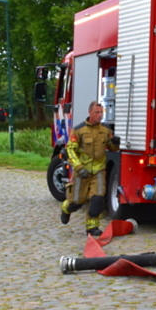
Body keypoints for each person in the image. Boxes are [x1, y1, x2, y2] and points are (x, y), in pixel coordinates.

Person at [61, 101, 118, 237]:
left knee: (97, 199)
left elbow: (111, 148)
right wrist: (79, 167)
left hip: (99, 169)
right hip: (82, 171)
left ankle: (92, 227)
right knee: (77, 201)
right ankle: (66, 208)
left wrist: (115, 143)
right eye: (97, 113)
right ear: (90, 113)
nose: (99, 115)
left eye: (101, 112)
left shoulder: (105, 129)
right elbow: (70, 150)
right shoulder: (79, 130)